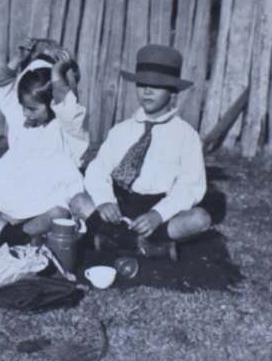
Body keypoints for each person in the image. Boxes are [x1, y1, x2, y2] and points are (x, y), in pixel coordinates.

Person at [71, 44, 211, 261]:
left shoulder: (186, 135)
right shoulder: (121, 130)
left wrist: (158, 215)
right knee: (79, 201)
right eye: (142, 84)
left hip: (158, 208)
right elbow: (98, 170)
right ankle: (145, 246)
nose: (148, 91)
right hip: (120, 204)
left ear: (173, 89)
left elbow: (190, 186)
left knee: (200, 219)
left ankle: (116, 240)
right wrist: (105, 201)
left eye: (157, 85)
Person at [0, 38, 89, 245]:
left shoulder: (66, 126)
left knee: (59, 212)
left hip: (48, 190)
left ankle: (10, 231)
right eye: (23, 106)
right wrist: (18, 59)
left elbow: (68, 106)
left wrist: (58, 73)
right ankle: (13, 235)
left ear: (52, 103)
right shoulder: (21, 113)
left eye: (32, 109)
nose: (25, 113)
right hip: (14, 182)